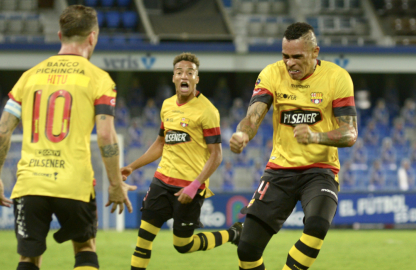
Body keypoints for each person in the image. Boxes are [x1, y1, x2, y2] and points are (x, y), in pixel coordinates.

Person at [0, 5, 136, 270]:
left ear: (60, 35)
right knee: (85, 248)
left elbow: (1, 134)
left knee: (28, 259)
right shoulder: (99, 79)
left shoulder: (29, 77)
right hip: (74, 183)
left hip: (30, 184)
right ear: (92, 37)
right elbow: (105, 134)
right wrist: (115, 184)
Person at [230, 22, 358, 270]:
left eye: (297, 57)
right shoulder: (271, 73)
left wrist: (316, 137)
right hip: (279, 170)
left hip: (320, 171)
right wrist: (243, 134)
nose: (289, 63)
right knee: (247, 249)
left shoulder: (337, 77)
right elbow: (253, 116)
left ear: (315, 52)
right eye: (285, 56)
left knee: (317, 225)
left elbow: (350, 133)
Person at [121, 52, 242, 270]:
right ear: (173, 78)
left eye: (190, 72)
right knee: (143, 240)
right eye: (179, 72)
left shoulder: (208, 111)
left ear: (197, 78)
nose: (184, 75)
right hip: (161, 182)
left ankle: (233, 233)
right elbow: (160, 144)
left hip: (190, 188)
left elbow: (217, 155)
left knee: (183, 245)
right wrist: (131, 166)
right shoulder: (167, 105)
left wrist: (194, 186)